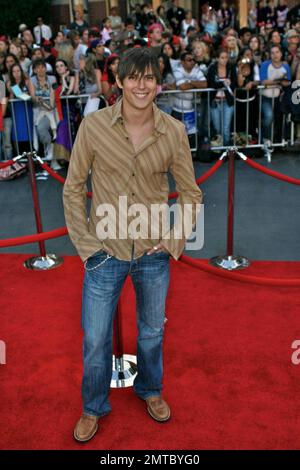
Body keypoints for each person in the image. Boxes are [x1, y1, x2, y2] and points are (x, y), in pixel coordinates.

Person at [63, 47, 202, 443]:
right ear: (120, 82)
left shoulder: (173, 131)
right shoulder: (92, 127)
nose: (142, 84)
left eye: (149, 77)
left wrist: (174, 239)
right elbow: (73, 190)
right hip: (102, 253)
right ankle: (93, 406)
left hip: (152, 254)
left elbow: (191, 194)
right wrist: (87, 245)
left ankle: (150, 390)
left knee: (151, 333)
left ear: (158, 84)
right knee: (94, 339)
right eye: (134, 77)